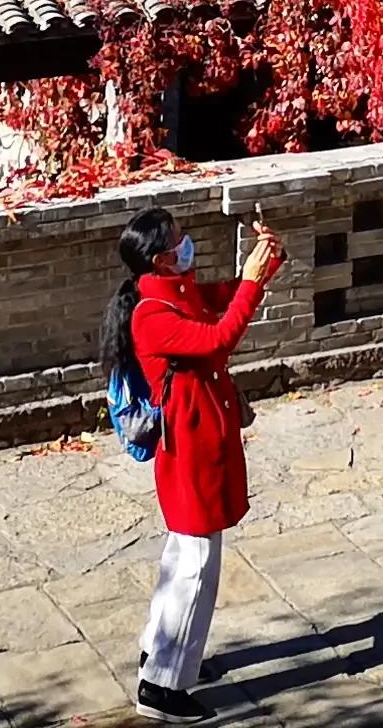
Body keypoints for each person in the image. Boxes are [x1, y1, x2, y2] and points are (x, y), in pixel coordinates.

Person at [111, 205, 285, 720]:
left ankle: (159, 651)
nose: (188, 245)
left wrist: (264, 264)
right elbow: (218, 339)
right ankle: (162, 686)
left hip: (202, 436)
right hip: (189, 447)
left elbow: (225, 297)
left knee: (181, 556)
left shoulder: (176, 293)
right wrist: (251, 282)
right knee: (196, 565)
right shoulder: (153, 315)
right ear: (161, 259)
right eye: (179, 239)